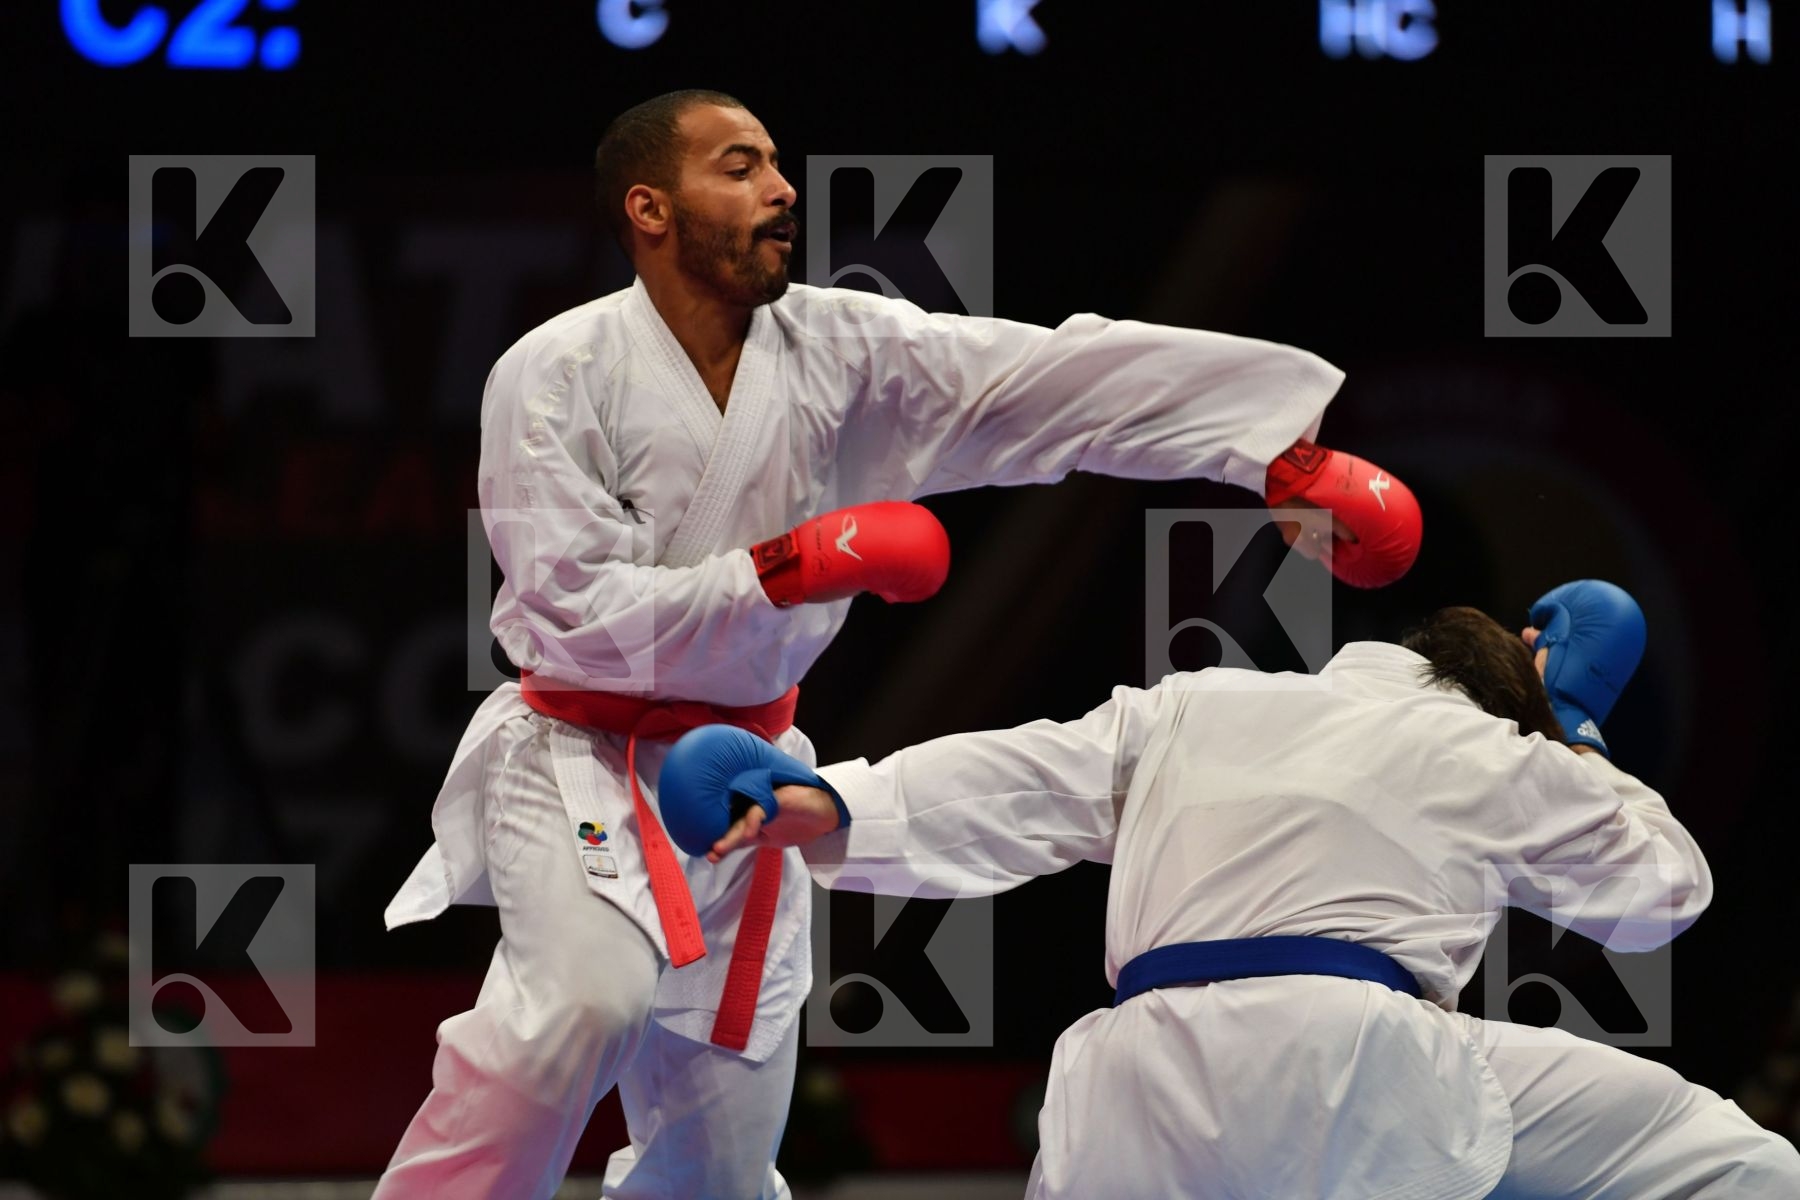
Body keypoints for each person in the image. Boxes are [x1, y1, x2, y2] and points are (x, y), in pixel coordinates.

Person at [375, 86, 1420, 1199]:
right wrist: (795, 566)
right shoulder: (555, 372)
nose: (781, 189)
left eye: (776, 164)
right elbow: (576, 607)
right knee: (581, 1006)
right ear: (650, 208)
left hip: (752, 775)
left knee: (722, 1160)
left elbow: (1048, 382)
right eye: (737, 167)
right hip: (583, 752)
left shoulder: (840, 350)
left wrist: (1262, 451)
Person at [671, 581, 1800, 1198]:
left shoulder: (1197, 704)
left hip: (1134, 1081)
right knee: (1738, 1166)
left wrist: (834, 801)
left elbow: (1015, 777)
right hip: (1346, 1061)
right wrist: (1580, 735)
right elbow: (1664, 891)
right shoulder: (1494, 747)